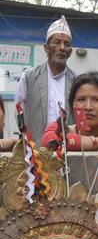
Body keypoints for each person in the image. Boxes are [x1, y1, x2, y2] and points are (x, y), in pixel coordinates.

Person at [15, 15, 76, 146]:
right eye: (57, 42)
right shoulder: (29, 77)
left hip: (68, 153)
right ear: (46, 47)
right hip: (36, 153)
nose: (62, 47)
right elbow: (19, 113)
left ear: (70, 51)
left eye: (66, 44)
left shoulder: (77, 82)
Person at [41, 71, 98, 151]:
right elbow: (51, 141)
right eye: (81, 100)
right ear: (72, 104)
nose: (88, 107)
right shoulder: (58, 129)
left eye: (96, 99)